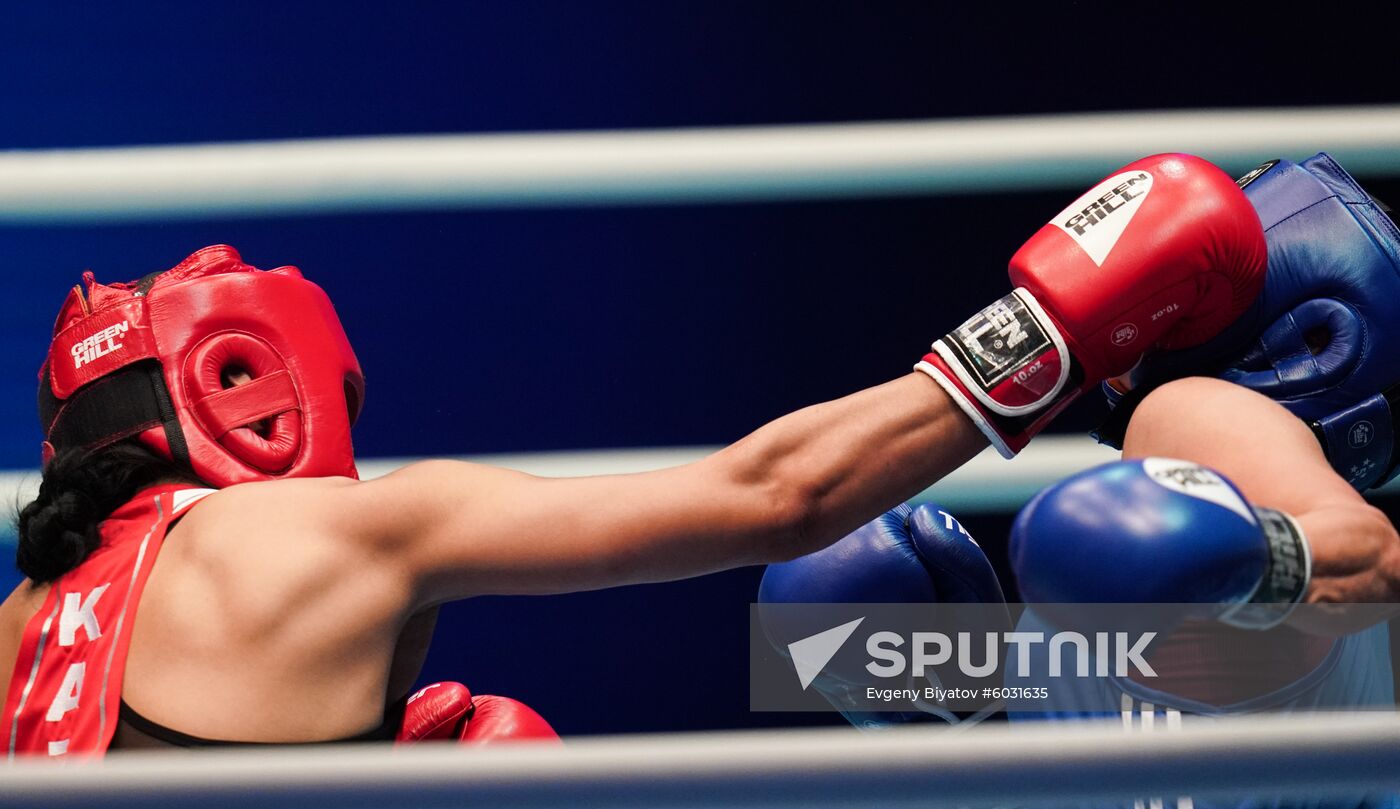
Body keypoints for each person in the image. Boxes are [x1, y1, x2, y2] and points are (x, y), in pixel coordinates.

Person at [0, 153, 1266, 757]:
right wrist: (1049, 333)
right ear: (247, 387)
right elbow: (776, 494)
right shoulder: (325, 534)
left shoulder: (19, 622)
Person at [762, 154, 1400, 734]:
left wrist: (1256, 563)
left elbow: (1373, 558)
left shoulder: (1191, 414)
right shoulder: (1165, 543)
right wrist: (967, 709)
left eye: (1184, 296)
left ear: (1316, 341)